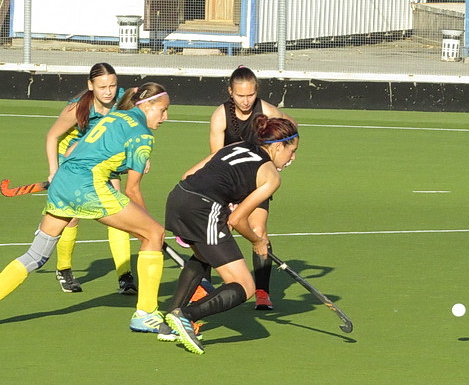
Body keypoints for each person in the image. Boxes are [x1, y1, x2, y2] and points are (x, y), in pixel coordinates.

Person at [0, 83, 171, 332]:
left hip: (62, 181)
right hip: (87, 186)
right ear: (146, 106)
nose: (165, 117)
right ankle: (145, 314)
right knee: (154, 233)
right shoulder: (142, 134)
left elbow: (73, 149)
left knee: (35, 256)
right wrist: (149, 228)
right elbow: (133, 190)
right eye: (163, 110)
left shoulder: (115, 116)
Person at [159, 114, 299, 355]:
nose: (293, 158)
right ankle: (185, 316)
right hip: (204, 209)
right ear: (278, 146)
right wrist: (258, 241)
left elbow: (188, 175)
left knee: (203, 256)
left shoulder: (237, 146)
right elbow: (237, 220)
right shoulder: (271, 176)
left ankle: (168, 325)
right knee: (245, 285)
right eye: (292, 151)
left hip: (178, 197)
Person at [45, 62, 139, 295]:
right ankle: (64, 269)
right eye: (102, 87)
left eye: (112, 86)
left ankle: (125, 275)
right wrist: (54, 171)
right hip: (71, 158)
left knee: (117, 210)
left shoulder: (122, 102)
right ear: (90, 85)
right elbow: (52, 136)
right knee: (71, 215)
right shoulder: (78, 108)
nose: (108, 92)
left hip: (101, 156)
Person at [208, 66, 294, 311]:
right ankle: (202, 285)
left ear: (257, 91)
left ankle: (262, 292)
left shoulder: (268, 111)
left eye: (250, 95)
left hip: (257, 181)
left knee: (258, 230)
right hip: (227, 180)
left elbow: (291, 128)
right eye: (240, 95)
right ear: (230, 92)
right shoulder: (221, 115)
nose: (246, 101)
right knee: (213, 233)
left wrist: (289, 153)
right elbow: (216, 157)